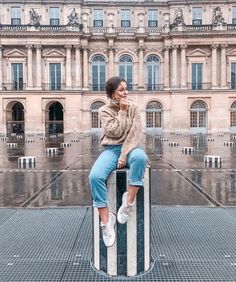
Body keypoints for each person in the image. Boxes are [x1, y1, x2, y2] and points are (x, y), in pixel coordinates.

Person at [89, 76, 148, 247]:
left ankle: (128, 202)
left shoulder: (134, 107)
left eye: (126, 88)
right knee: (95, 176)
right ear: (112, 93)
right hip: (111, 149)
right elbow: (113, 131)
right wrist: (121, 111)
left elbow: (135, 133)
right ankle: (106, 222)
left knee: (140, 157)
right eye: (121, 90)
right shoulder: (104, 110)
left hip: (130, 148)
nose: (126, 92)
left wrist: (124, 155)